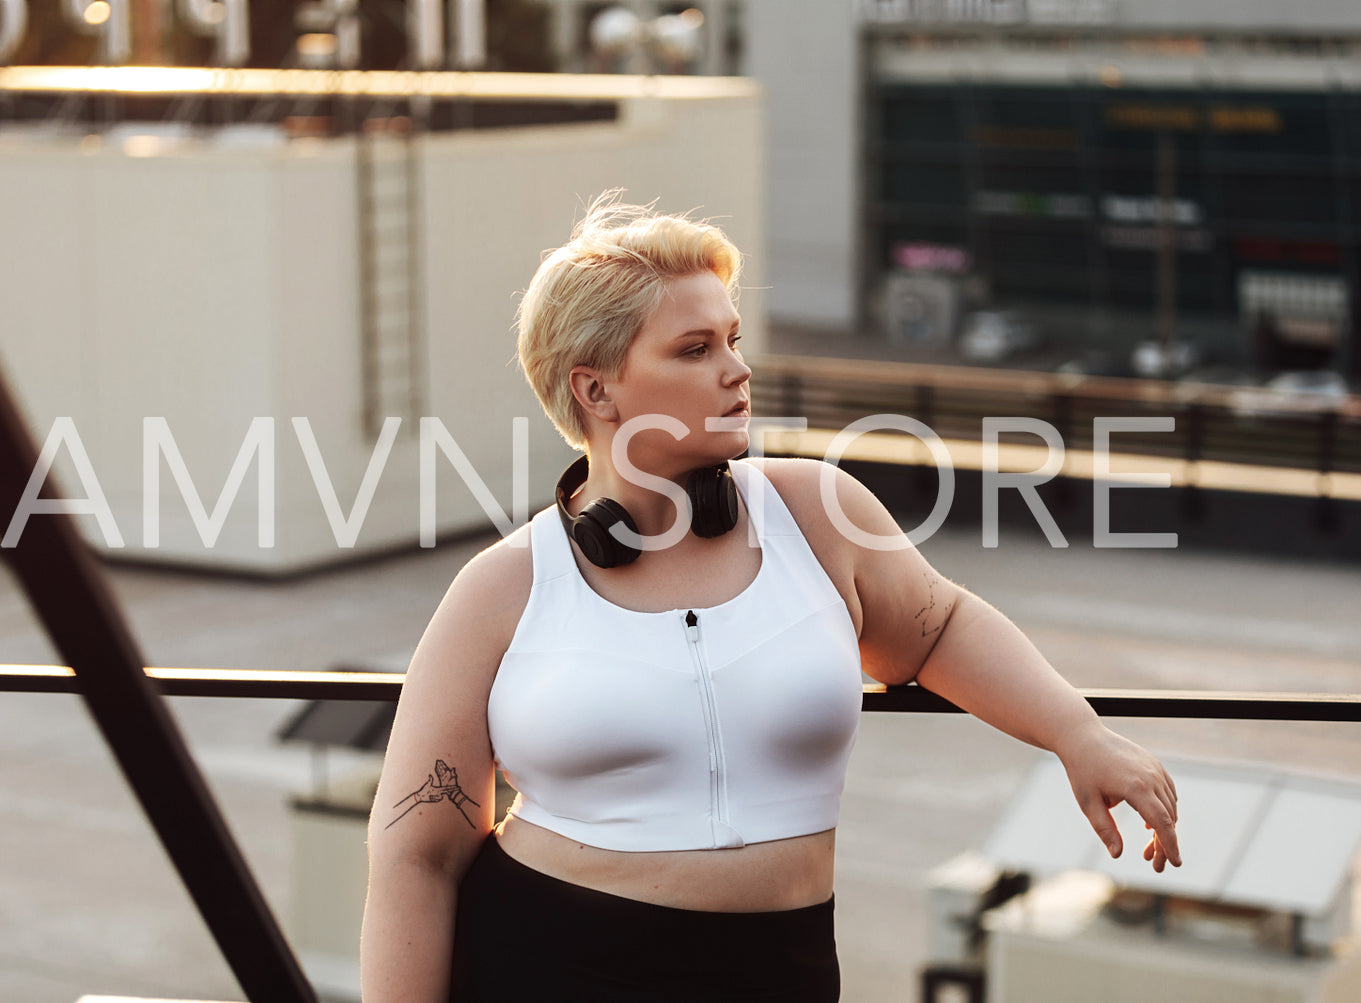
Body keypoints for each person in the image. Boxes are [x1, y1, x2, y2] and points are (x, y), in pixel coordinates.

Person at [360, 194, 1181, 1002]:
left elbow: (938, 628)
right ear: (596, 390)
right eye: (693, 349)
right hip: (545, 964)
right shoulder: (502, 585)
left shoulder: (818, 513)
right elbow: (415, 853)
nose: (736, 369)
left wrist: (1077, 734)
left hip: (776, 970)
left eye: (732, 339)